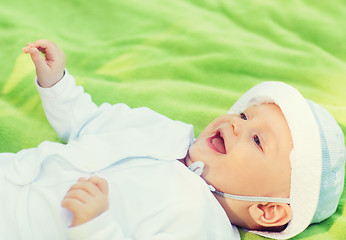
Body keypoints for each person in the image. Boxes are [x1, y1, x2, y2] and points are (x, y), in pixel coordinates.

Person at [1, 39, 342, 240]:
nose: (236, 125)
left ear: (267, 209)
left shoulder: (203, 226)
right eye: (243, 115)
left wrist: (96, 226)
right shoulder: (165, 130)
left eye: (257, 141)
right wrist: (58, 84)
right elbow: (91, 121)